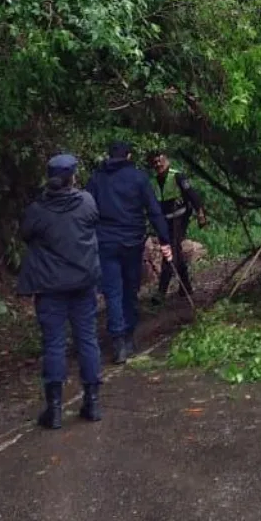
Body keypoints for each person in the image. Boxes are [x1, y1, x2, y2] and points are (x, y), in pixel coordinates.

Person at [17, 154, 103, 428]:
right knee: (87, 339)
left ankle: (54, 409)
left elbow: (25, 233)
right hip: (82, 283)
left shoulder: (38, 211)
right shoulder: (87, 202)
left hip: (50, 286)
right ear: (73, 177)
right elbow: (94, 220)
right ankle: (92, 402)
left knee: (54, 343)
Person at [86, 141, 172, 364]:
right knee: (130, 289)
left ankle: (118, 342)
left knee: (113, 292)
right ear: (129, 156)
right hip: (132, 242)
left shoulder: (97, 178)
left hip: (105, 242)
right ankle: (129, 336)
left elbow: (86, 210)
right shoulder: (139, 178)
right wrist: (165, 240)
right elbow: (154, 210)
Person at [147, 149, 207, 301]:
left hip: (180, 217)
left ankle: (161, 291)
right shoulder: (153, 181)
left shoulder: (177, 176)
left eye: (160, 160)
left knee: (170, 250)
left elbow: (192, 195)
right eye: (155, 163)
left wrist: (200, 213)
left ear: (166, 160)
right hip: (165, 220)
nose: (158, 164)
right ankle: (186, 286)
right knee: (176, 252)